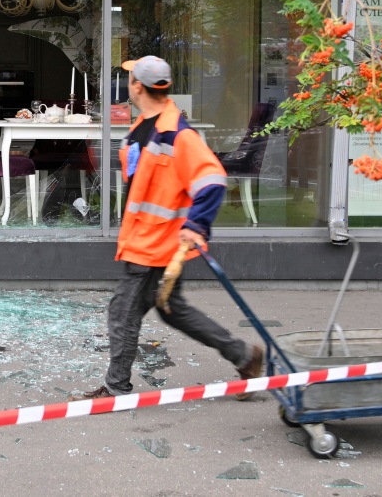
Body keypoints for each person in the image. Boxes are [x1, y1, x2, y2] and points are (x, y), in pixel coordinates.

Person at [73, 55, 264, 401]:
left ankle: (115, 389)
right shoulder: (144, 127)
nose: (128, 83)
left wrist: (196, 225)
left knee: (122, 312)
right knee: (171, 309)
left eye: (130, 78)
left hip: (154, 244)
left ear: (137, 86)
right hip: (147, 239)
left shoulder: (177, 133)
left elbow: (212, 179)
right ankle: (244, 356)